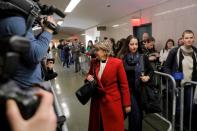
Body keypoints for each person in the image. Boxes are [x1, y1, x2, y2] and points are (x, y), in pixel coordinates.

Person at [0, 15, 56, 88]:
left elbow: (30, 44)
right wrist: (48, 30)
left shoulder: (20, 22)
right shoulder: (15, 21)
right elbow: (35, 54)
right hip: (22, 91)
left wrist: (44, 31)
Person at [86, 41, 131, 131]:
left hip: (112, 102)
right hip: (97, 101)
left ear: (105, 51)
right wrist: (88, 77)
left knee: (112, 127)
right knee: (99, 126)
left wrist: (127, 104)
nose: (95, 52)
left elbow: (124, 85)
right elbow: (89, 74)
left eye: (98, 50)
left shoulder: (117, 63)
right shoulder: (94, 62)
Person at [164, 30, 197, 131]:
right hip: (178, 86)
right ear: (182, 39)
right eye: (186, 38)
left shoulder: (195, 51)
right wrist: (173, 79)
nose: (189, 40)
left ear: (194, 39)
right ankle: (177, 127)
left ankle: (187, 127)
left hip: (190, 86)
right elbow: (167, 67)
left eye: (191, 37)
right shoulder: (175, 51)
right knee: (178, 109)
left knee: (190, 108)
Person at [122, 36, 154, 131]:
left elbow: (151, 71)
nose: (134, 46)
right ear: (127, 45)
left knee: (138, 116)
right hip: (128, 91)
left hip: (140, 91)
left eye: (136, 44)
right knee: (135, 115)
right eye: (131, 44)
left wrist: (147, 77)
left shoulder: (142, 57)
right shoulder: (122, 59)